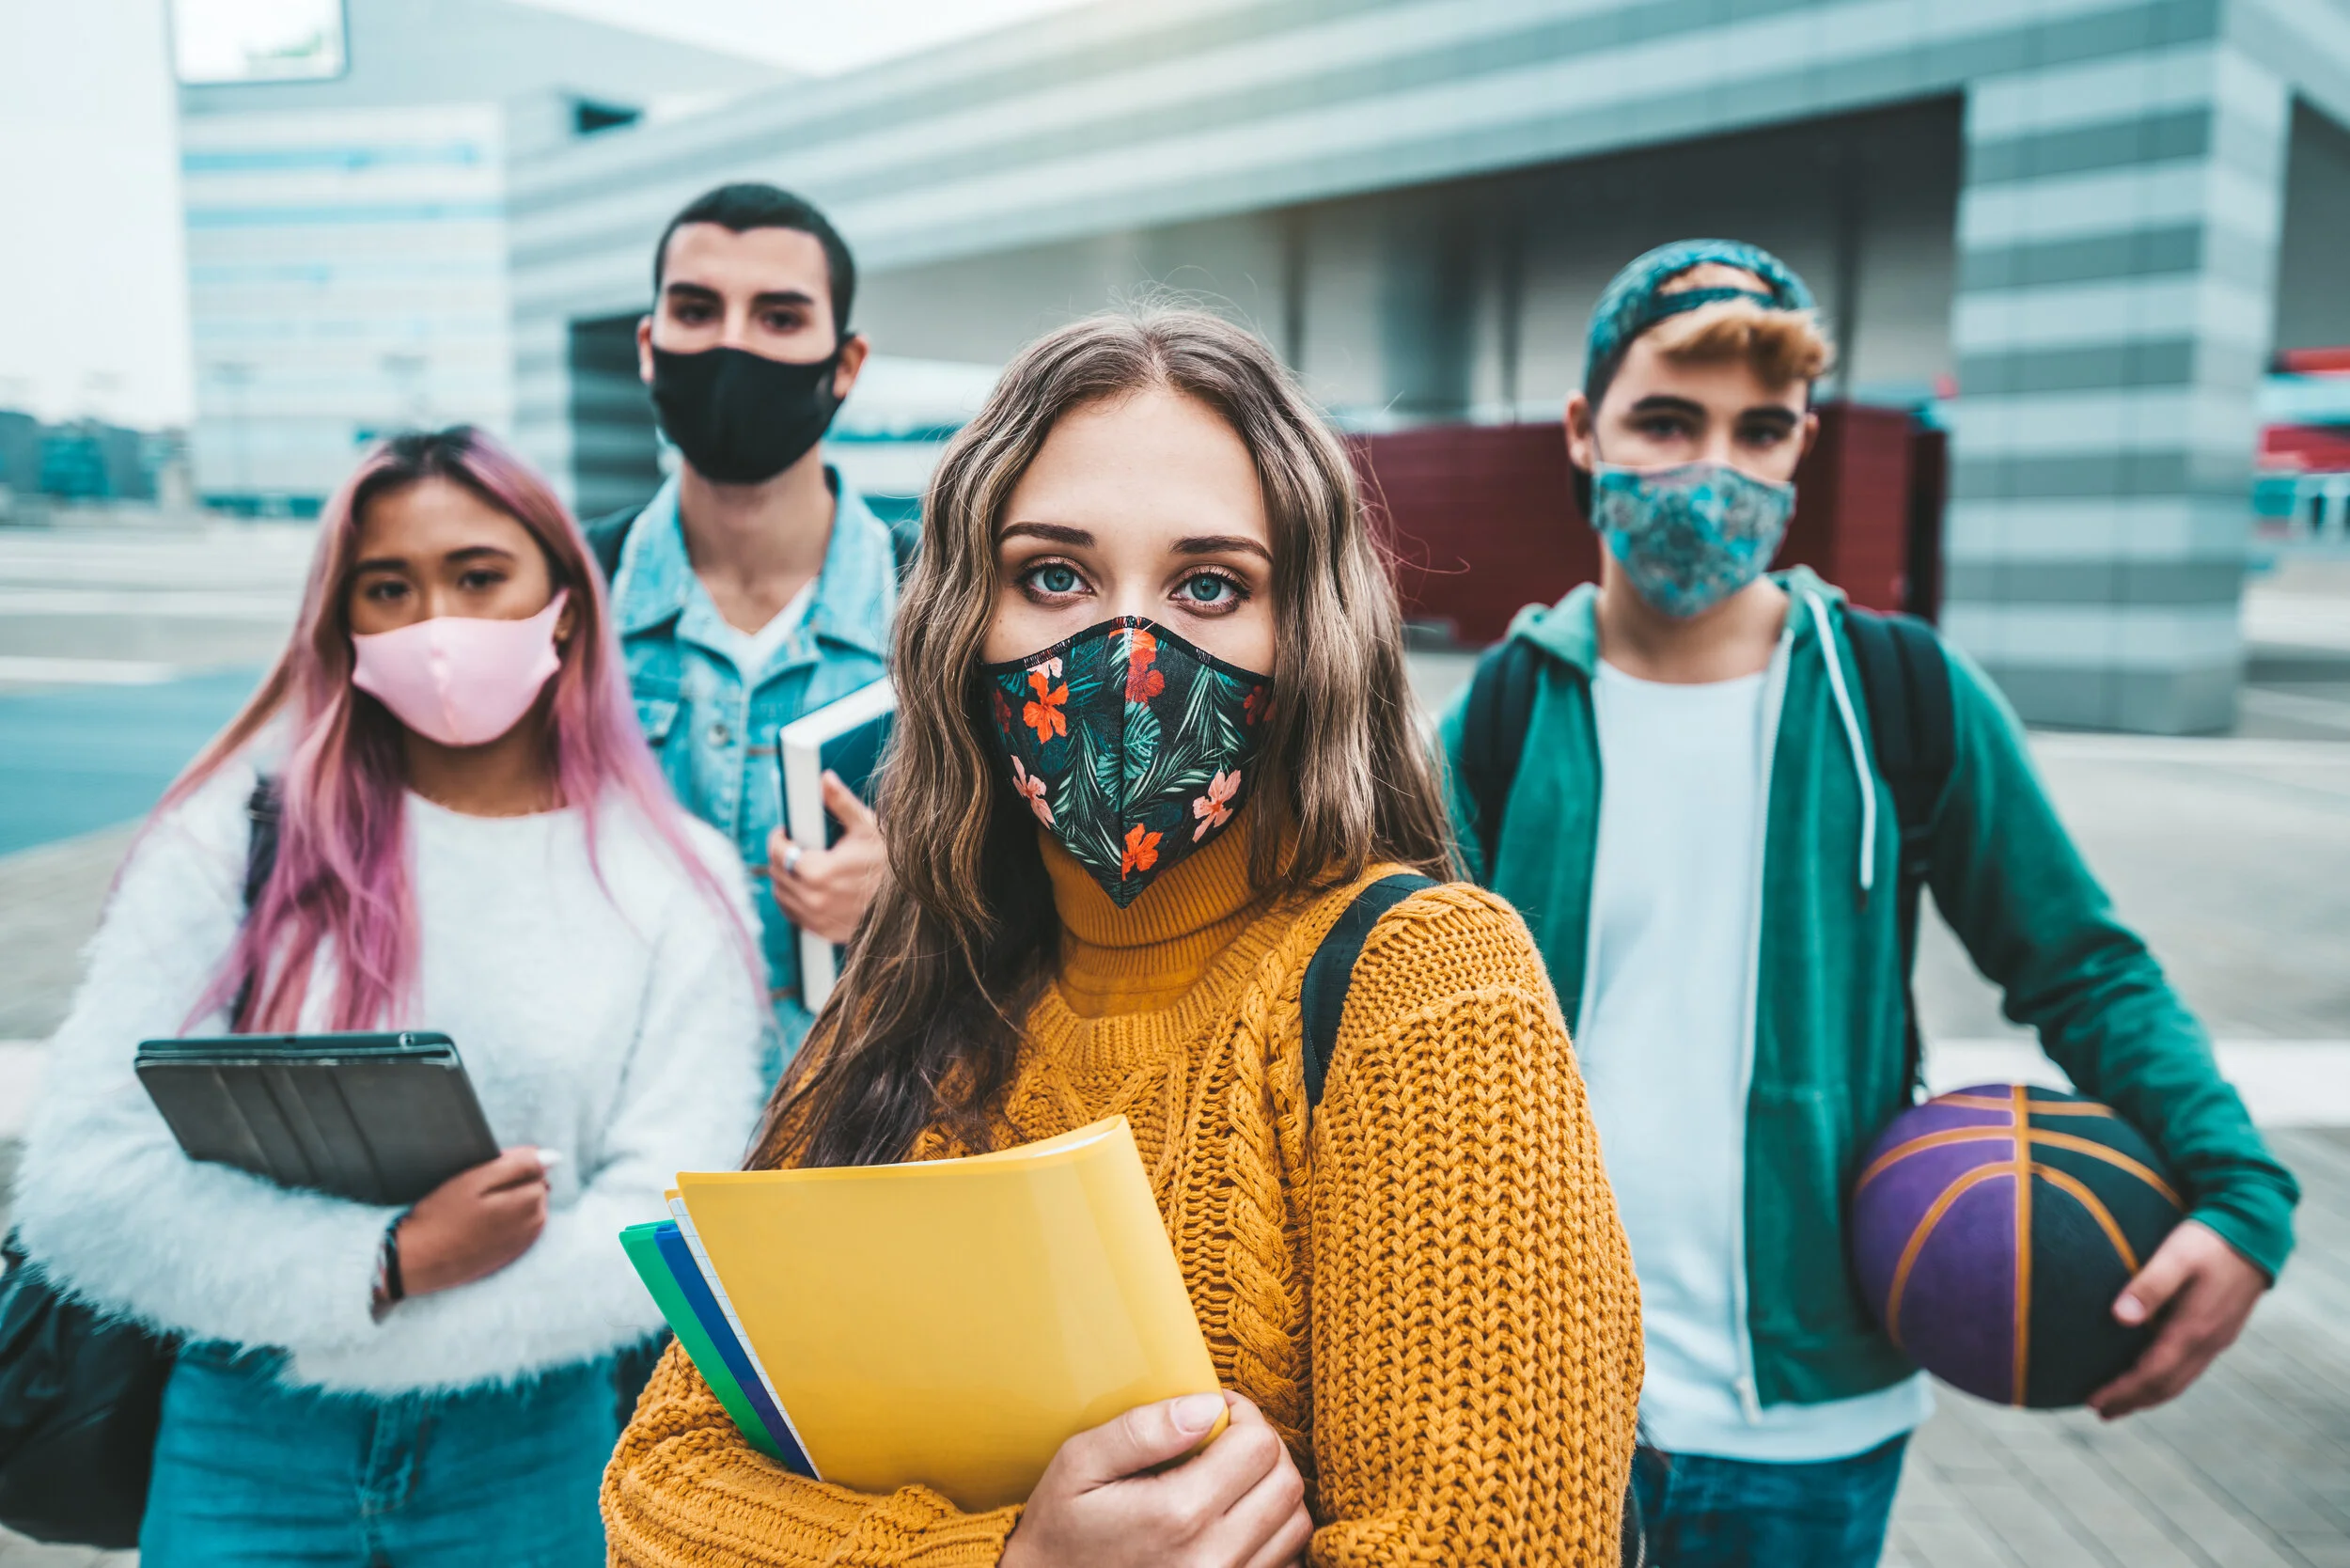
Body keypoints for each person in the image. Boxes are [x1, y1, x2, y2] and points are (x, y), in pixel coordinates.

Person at [600, 308, 1644, 1566]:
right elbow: (661, 1488)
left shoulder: (1421, 986)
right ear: (961, 627)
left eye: (1209, 585)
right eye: (1055, 577)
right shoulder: (914, 978)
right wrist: (1008, 1561)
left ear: (1305, 632)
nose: (1127, 651)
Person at [1436, 239, 2301, 1568]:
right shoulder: (1500, 714)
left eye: (1759, 430)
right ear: (1582, 432)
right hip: (1523, 1403)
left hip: (1808, 1424)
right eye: (1666, 420)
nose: (1711, 468)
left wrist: (2243, 1193)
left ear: (1800, 452)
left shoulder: (1898, 693)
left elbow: (2080, 965)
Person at [11, 428, 768, 1565]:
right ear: (345, 626)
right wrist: (391, 1261)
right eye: (387, 588)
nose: (438, 625)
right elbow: (84, 1188)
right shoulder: (233, 840)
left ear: (563, 601)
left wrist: (409, 1295)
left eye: (477, 576)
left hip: (532, 1451)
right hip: (244, 1435)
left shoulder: (679, 877)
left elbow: (669, 1217)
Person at [599, 181, 902, 1073]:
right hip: (628, 1150)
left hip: (858, 1141)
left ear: (844, 364)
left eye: (778, 317)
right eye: (698, 310)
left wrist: (910, 900)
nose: (733, 344)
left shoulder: (943, 609)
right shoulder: (566, 604)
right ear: (651, 347)